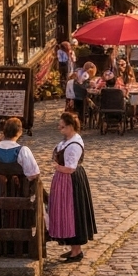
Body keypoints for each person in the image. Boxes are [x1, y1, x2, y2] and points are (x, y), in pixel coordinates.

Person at [47, 112, 97, 262]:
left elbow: (70, 168)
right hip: (64, 179)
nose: (59, 129)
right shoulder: (67, 140)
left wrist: (57, 167)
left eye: (62, 127)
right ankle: (73, 249)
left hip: (70, 181)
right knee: (66, 212)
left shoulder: (74, 145)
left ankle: (76, 251)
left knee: (72, 212)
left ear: (69, 127)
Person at [0, 117, 41, 182]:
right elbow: (33, 174)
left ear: (4, 131)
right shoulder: (23, 151)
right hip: (20, 190)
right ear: (19, 132)